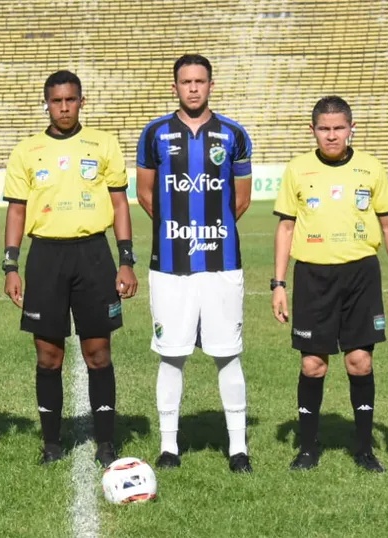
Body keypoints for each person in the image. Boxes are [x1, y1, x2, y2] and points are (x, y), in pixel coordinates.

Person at [2, 70, 138, 467]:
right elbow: (16, 209)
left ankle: (106, 443)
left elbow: (119, 205)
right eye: (56, 101)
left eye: (71, 100)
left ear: (81, 101)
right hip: (45, 256)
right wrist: (11, 264)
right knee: (48, 356)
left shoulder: (103, 143)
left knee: (98, 353)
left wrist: (126, 260)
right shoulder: (27, 151)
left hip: (94, 255)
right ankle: (51, 443)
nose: (64, 107)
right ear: (46, 103)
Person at [271, 96, 388, 473]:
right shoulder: (298, 169)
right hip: (313, 275)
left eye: (338, 128)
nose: (331, 136)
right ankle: (308, 449)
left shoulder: (371, 168)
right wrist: (278, 283)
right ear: (312, 130)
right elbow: (285, 227)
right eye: (324, 129)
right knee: (314, 364)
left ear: (351, 128)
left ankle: (363, 449)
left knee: (359, 362)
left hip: (361, 273)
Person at [135, 54, 253, 473]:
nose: (193, 88)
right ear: (175, 87)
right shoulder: (154, 134)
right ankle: (169, 448)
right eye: (186, 82)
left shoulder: (234, 134)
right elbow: (146, 195)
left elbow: (241, 199)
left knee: (228, 354)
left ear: (211, 85)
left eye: (200, 81)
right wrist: (178, 229)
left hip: (222, 264)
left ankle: (238, 449)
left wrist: (208, 230)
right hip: (170, 266)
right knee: (172, 354)